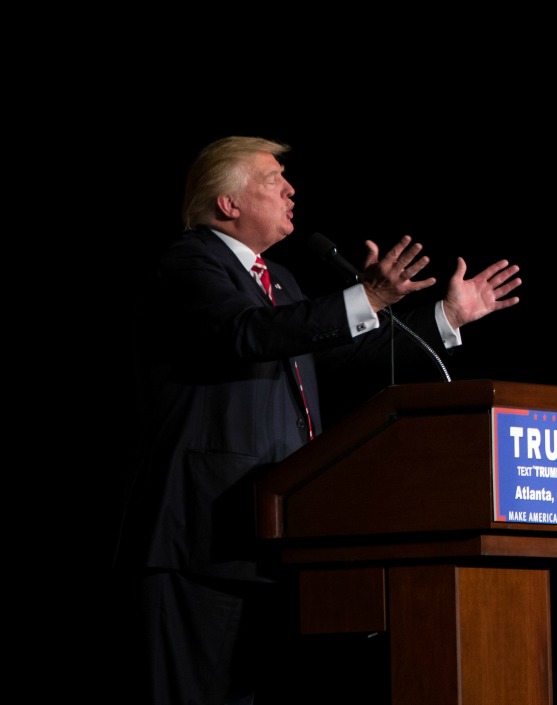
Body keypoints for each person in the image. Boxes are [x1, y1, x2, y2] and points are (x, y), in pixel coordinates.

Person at [111, 135, 522, 705]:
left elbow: (345, 356)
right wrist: (368, 296)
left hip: (273, 534)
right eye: (271, 178)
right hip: (199, 540)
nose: (290, 188)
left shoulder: (279, 280)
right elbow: (247, 334)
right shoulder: (188, 263)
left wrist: (446, 315)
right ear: (228, 204)